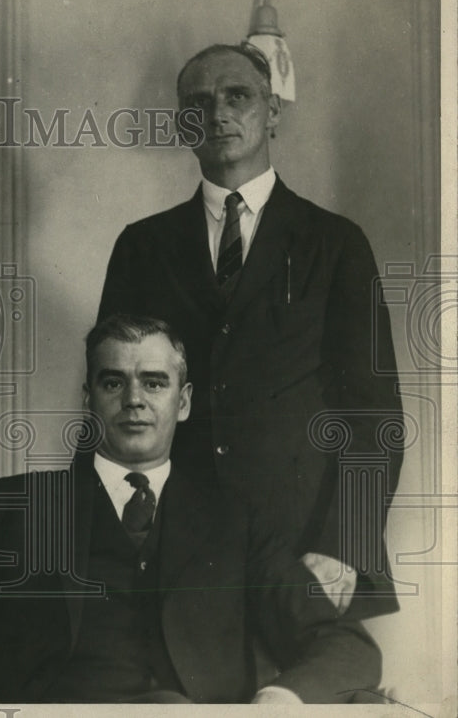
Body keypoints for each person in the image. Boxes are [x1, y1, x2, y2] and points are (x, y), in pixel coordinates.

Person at [0, 314, 381, 704]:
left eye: (154, 383)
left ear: (182, 403)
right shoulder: (18, 508)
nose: (134, 400)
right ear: (88, 399)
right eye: (114, 382)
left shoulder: (233, 521)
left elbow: (344, 644)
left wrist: (276, 703)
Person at [97, 44, 403, 618]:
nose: (217, 113)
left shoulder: (336, 243)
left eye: (237, 95)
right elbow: (112, 403)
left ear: (274, 111)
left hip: (307, 551)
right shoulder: (142, 246)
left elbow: (376, 416)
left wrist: (343, 546)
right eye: (199, 102)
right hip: (175, 552)